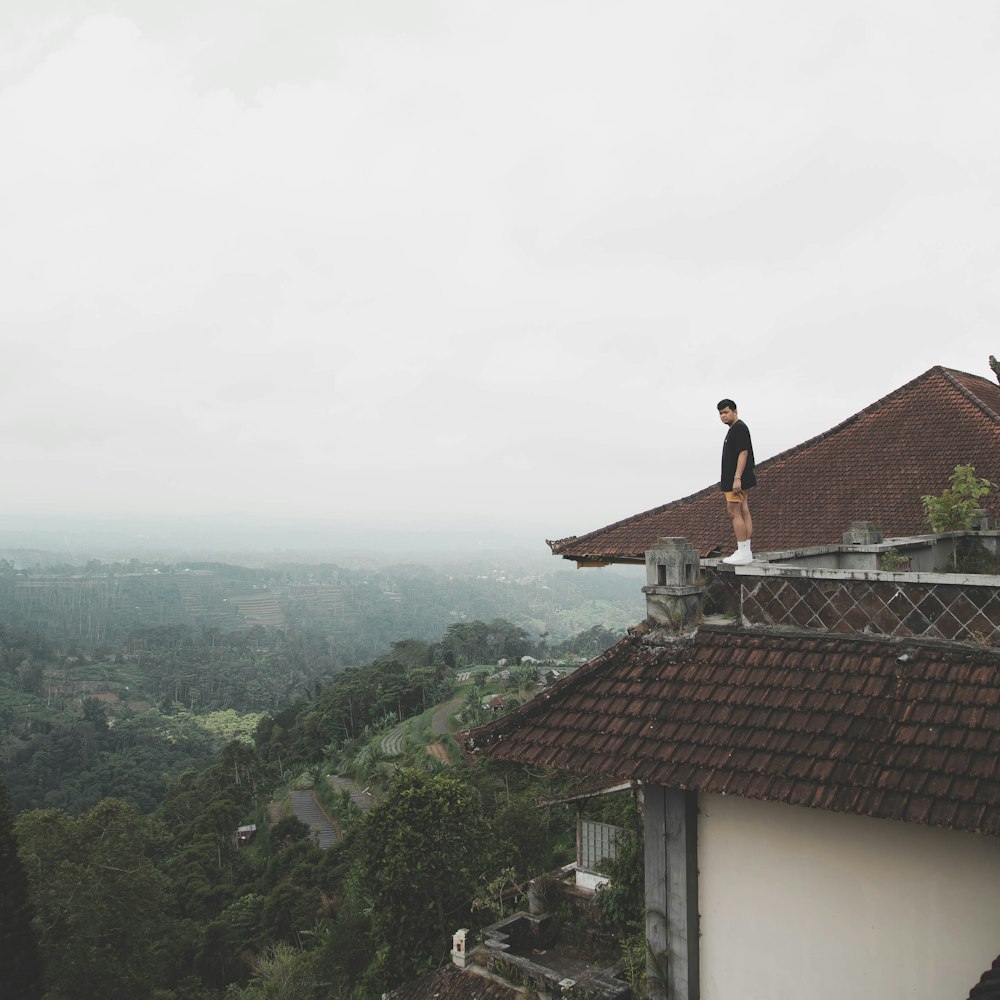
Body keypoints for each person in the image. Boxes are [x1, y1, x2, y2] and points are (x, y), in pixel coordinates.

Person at [717, 398, 756, 564]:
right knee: (744, 510)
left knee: (734, 512)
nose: (723, 416)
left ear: (735, 411)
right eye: (720, 413)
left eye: (726, 412)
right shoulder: (735, 429)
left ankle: (743, 551)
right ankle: (745, 551)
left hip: (737, 479)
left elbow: (743, 453)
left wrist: (737, 478)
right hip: (738, 478)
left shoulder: (739, 428)